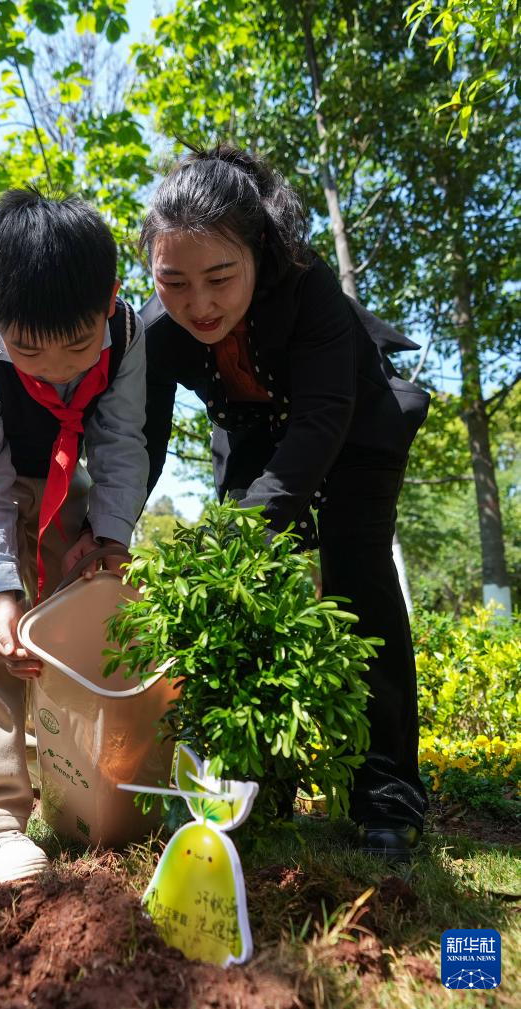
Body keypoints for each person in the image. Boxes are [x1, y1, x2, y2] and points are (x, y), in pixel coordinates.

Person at [140, 146, 430, 861]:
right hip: (250, 433)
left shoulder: (312, 291)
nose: (197, 304)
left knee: (357, 579)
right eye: (173, 281)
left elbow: (321, 422)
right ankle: (256, 782)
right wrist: (108, 532)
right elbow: (137, 443)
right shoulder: (152, 329)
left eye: (219, 278)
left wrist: (241, 532)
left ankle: (383, 794)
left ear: (259, 250)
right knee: (246, 596)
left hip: (355, 424)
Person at [0, 189, 148, 882]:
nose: (52, 367)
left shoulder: (129, 335)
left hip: (59, 472)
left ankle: (81, 791)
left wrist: (109, 538)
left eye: (75, 346)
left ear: (108, 300)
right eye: (28, 349)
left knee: (74, 620)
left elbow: (120, 443)